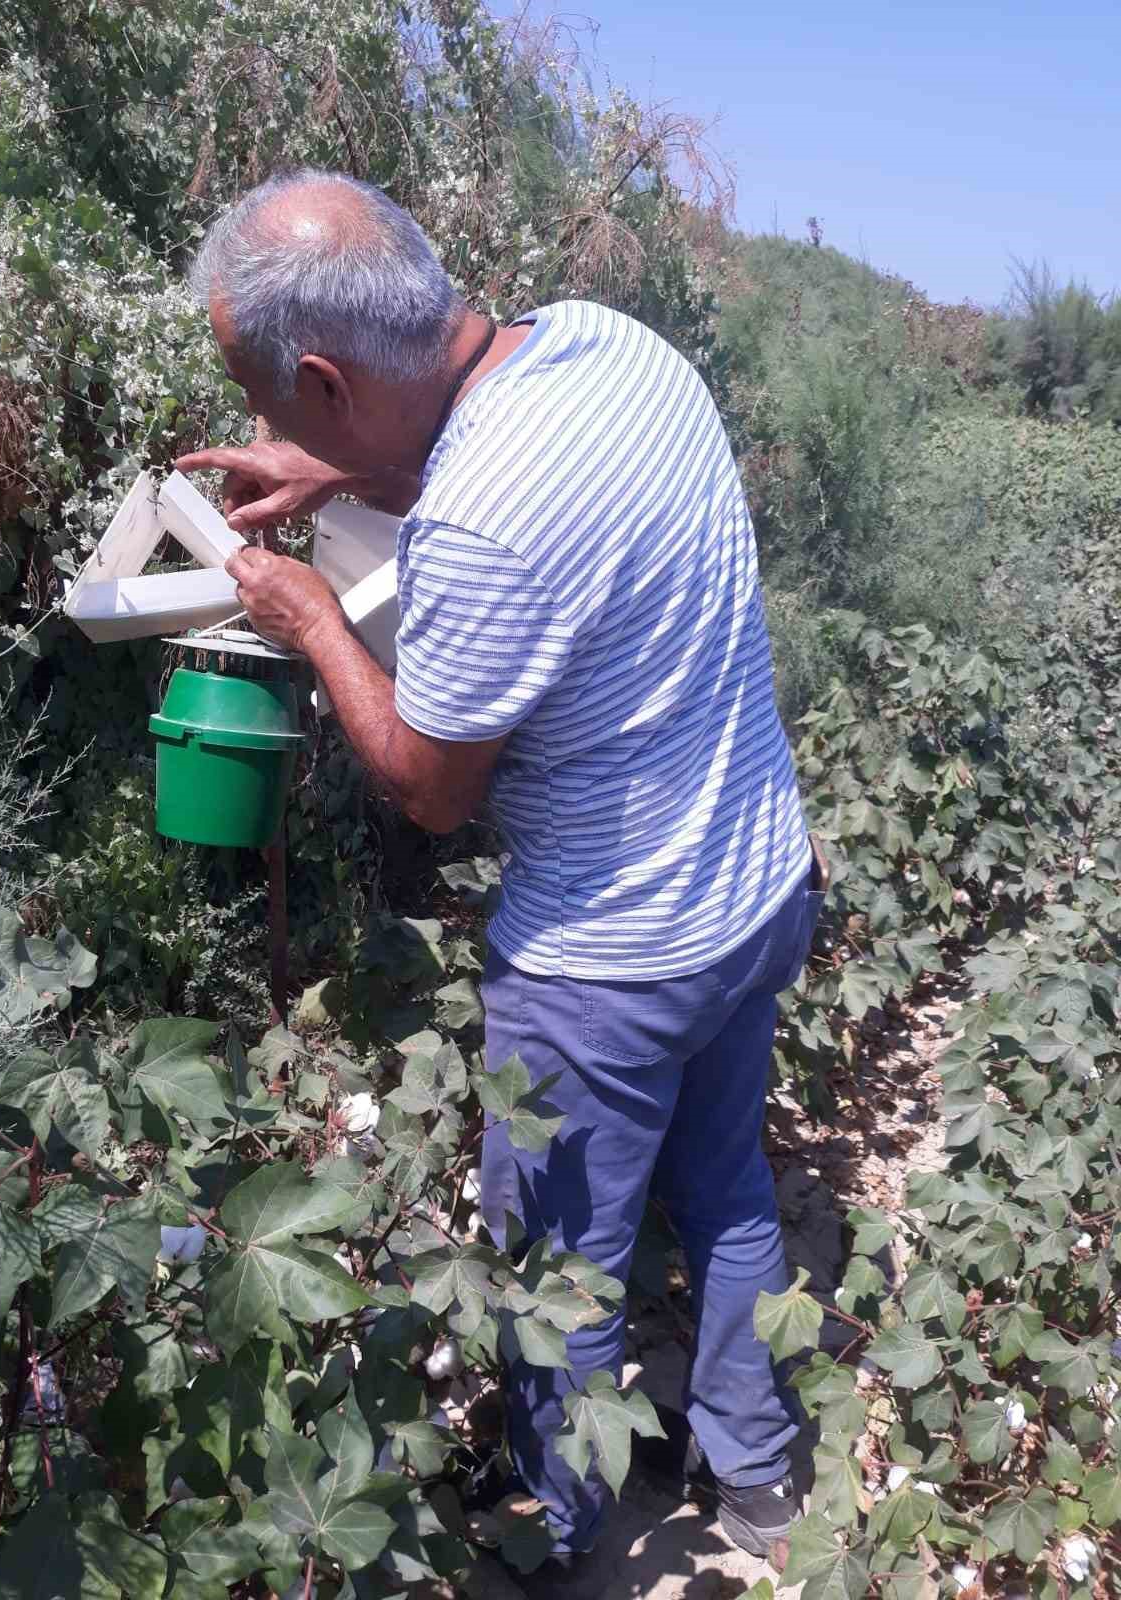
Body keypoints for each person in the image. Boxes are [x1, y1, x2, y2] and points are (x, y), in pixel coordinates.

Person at [178, 167, 823, 1569]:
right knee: (722, 1193)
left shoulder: (476, 523)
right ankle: (762, 1485)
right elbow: (501, 459)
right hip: (756, 881)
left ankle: (560, 1534)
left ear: (327, 377)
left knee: (558, 1276)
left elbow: (427, 788)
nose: (273, 435)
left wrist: (308, 622)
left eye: (280, 409)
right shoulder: (608, 341)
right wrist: (339, 472)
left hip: (613, 962)